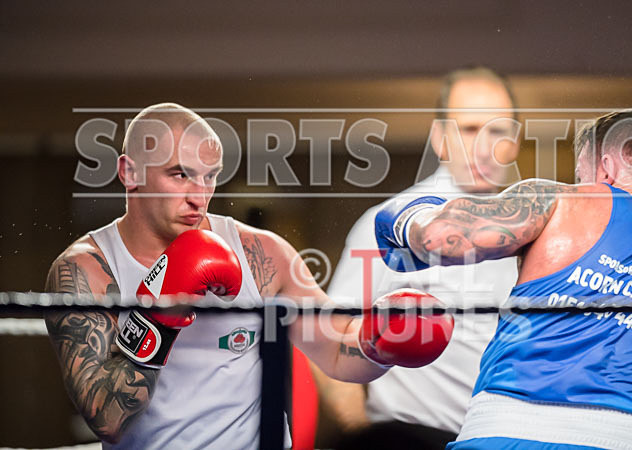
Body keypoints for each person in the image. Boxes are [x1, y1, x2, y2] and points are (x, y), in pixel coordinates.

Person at [43, 103, 451, 449]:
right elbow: (107, 419)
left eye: (209, 175)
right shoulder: (86, 271)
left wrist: (383, 341)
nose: (198, 195)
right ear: (130, 173)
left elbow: (335, 351)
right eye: (180, 174)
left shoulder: (260, 253)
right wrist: (160, 312)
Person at [374, 109, 632, 449]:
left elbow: (439, 237)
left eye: (581, 173)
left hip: (502, 436)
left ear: (606, 167)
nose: (580, 183)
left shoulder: (561, 202)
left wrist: (402, 216)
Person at [319, 66, 521, 449]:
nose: (485, 146)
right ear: (440, 138)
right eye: (469, 129)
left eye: (498, 130)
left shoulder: (531, 233)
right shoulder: (391, 223)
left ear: (515, 140)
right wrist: (364, 435)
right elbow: (330, 339)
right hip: (410, 436)